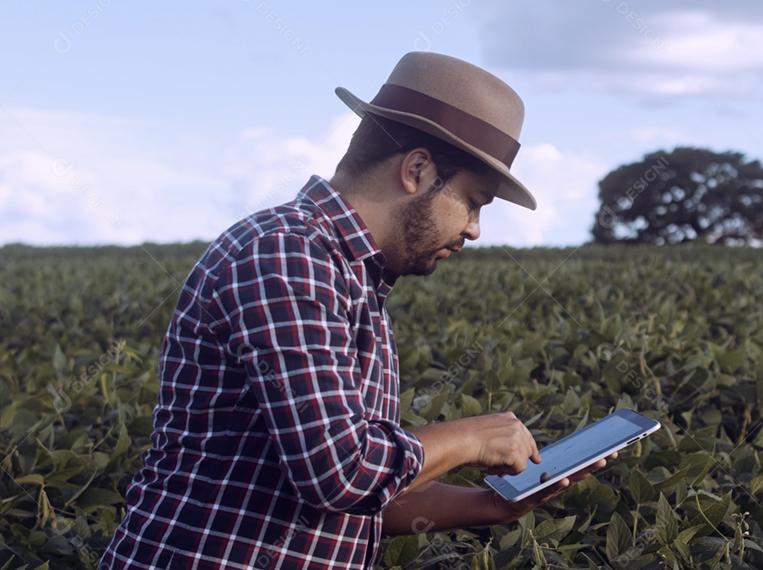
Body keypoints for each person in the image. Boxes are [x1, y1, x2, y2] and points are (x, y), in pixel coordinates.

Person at [99, 52, 616, 569]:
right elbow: (340, 472)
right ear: (416, 170)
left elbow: (354, 501)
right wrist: (472, 437)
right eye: (473, 201)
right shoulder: (286, 254)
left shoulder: (355, 280)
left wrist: (492, 505)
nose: (475, 229)